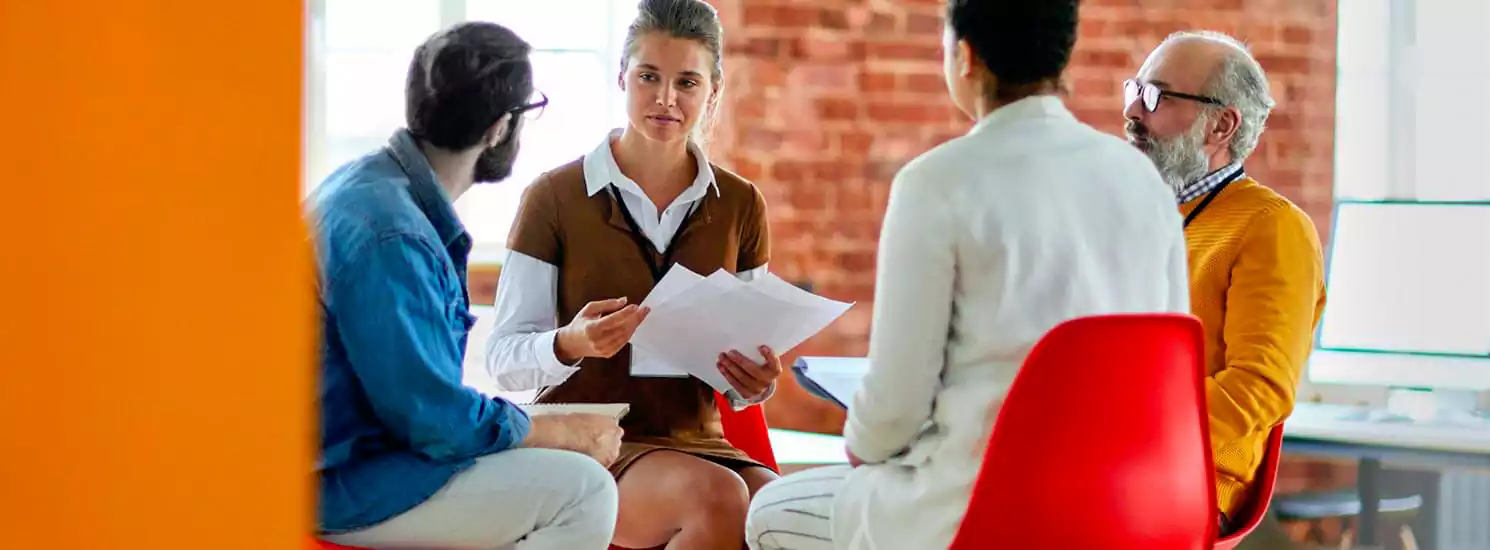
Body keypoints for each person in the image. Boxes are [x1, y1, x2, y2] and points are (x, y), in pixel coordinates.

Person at [745, 1, 1192, 548]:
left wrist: (866, 444)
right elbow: (1169, 362)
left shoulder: (936, 183)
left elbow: (893, 413)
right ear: (1062, 56)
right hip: (1132, 505)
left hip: (979, 508)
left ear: (965, 56)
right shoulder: (1142, 182)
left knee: (766, 512)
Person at [311, 22, 624, 549]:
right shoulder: (394, 235)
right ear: (501, 127)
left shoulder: (366, 187)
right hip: (345, 482)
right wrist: (560, 431)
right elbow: (432, 421)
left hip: (343, 456)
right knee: (584, 490)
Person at [485, 0, 782, 548]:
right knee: (717, 498)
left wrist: (753, 382)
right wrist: (570, 343)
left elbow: (743, 364)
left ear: (713, 91)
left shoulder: (741, 205)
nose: (666, 98)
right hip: (584, 441)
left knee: (786, 513)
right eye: (649, 76)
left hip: (698, 442)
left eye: (687, 82)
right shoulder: (554, 198)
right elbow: (503, 361)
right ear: (622, 76)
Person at [1123, 30, 1326, 533]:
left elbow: (1258, 387)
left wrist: (1126, 434)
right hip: (1116, 466)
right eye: (1135, 90)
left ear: (1221, 125)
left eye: (1156, 97)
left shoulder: (1272, 226)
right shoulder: (1142, 218)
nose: (1132, 112)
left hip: (1185, 482)